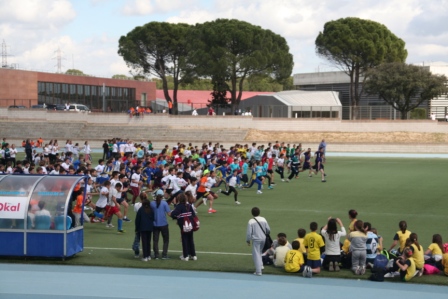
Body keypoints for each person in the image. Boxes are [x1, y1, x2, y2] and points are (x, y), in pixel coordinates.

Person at [171, 193, 197, 261]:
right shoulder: (189, 206)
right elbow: (193, 215)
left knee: (184, 240)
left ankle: (186, 256)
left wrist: (177, 217)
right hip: (191, 225)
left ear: (179, 199)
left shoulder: (179, 206)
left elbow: (173, 214)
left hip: (183, 226)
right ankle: (193, 255)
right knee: (191, 240)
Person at [246, 207, 270, 276]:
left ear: (252, 213)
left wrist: (248, 240)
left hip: (256, 239)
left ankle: (258, 271)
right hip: (263, 238)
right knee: (259, 252)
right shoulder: (263, 219)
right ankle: (261, 265)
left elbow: (249, 232)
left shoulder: (251, 221)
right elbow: (268, 229)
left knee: (256, 254)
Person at [150, 189, 171, 260]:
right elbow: (169, 214)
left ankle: (156, 255)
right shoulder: (164, 203)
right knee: (166, 240)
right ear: (162, 196)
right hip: (164, 224)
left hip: (155, 224)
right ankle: (164, 254)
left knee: (155, 240)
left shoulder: (152, 203)